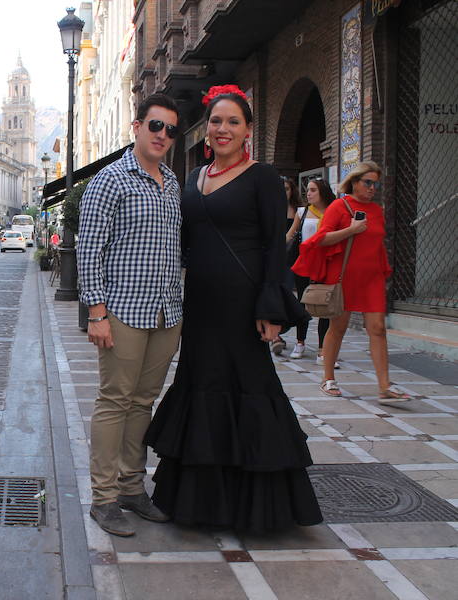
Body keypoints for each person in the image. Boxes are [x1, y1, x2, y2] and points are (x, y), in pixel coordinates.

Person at [143, 84, 321, 533]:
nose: (223, 129)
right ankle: (200, 503)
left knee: (249, 389)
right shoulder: (193, 178)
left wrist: (271, 307)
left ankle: (257, 507)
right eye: (217, 121)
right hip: (201, 305)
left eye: (233, 122)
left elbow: (273, 247)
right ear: (207, 129)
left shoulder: (263, 178)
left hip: (243, 306)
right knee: (201, 385)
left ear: (248, 131)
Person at [77, 93, 184, 537]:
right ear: (137, 127)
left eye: (171, 130)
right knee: (115, 400)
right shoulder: (111, 179)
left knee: (143, 402)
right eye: (155, 126)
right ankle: (103, 498)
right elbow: (89, 248)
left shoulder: (172, 183)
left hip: (166, 311)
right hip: (122, 310)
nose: (163, 135)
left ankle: (131, 488)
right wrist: (96, 312)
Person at [293, 161, 410, 403]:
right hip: (343, 277)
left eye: (376, 184)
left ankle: (384, 386)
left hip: (371, 278)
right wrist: (351, 230)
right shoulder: (339, 206)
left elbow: (377, 244)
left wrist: (383, 271)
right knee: (338, 327)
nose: (372, 188)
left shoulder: (376, 210)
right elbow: (321, 239)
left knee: (378, 329)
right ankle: (328, 378)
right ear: (354, 182)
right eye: (368, 182)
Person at [285, 179, 337, 365]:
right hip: (305, 263)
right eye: (308, 190)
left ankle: (323, 349)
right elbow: (290, 235)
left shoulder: (333, 212)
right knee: (303, 302)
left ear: (323, 191)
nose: (308, 193)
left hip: (326, 263)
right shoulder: (302, 212)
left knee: (325, 305)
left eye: (313, 190)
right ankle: (300, 342)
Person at [270, 176, 303, 354]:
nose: (284, 193)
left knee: (286, 295)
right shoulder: (269, 208)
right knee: (275, 294)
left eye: (287, 189)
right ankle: (275, 336)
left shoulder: (299, 211)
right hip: (272, 258)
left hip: (291, 259)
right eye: (281, 189)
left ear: (292, 191)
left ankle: (280, 332)